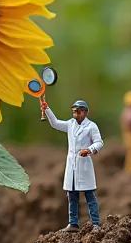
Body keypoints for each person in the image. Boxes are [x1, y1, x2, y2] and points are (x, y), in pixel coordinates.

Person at [41, 96, 104, 232]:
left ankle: (95, 224)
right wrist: (47, 110)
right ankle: (73, 223)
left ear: (85, 112)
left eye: (78, 111)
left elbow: (99, 142)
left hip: (84, 164)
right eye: (74, 111)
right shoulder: (70, 124)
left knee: (89, 196)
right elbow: (56, 123)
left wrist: (89, 150)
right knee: (72, 196)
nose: (75, 113)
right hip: (72, 165)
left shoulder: (91, 126)